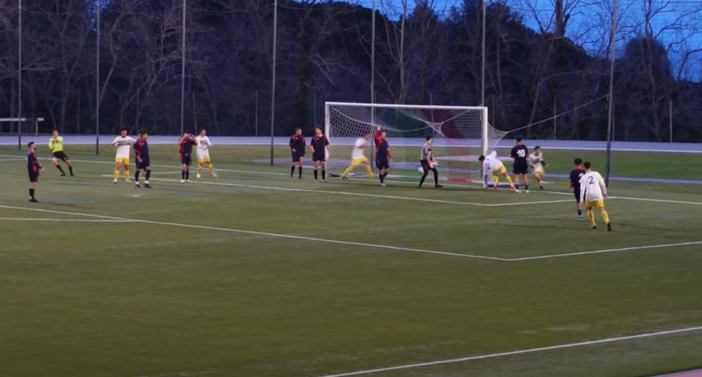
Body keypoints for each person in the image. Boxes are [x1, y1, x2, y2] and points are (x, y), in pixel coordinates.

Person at [579, 161, 612, 231]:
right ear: (590, 166)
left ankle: (593, 224)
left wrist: (581, 199)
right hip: (598, 194)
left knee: (589, 209)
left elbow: (582, 189)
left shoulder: (583, 177)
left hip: (589, 195)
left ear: (584, 167)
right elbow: (602, 184)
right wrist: (604, 192)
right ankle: (607, 221)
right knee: (601, 209)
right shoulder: (596, 173)